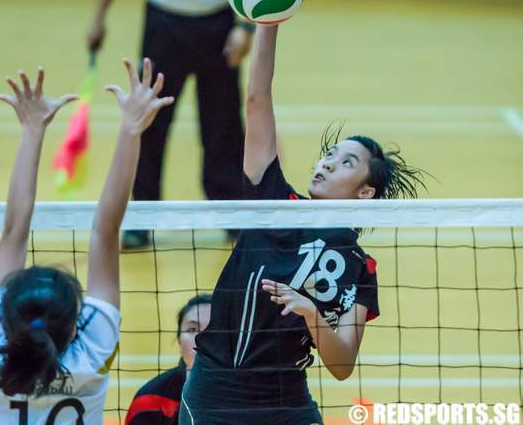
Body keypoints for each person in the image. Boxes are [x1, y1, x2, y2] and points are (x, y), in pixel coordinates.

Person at [179, 25, 429, 424]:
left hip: (285, 401)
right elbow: (257, 99)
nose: (327, 162)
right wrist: (267, 24)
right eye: (329, 154)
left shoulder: (359, 268)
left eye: (347, 162)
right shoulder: (273, 200)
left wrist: (312, 314)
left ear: (365, 193)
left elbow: (343, 363)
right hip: (216, 391)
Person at [0, 59, 173, 424]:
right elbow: (105, 230)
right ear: (76, 325)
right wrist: (131, 130)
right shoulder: (91, 351)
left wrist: (32, 130)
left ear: (5, 315)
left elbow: (14, 230)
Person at [87, 0, 268, 248]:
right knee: (149, 122)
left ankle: (230, 214)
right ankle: (142, 215)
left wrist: (246, 26)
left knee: (222, 124)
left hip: (220, 23)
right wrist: (99, 16)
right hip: (163, 25)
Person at [125, 294, 212, 425]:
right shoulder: (150, 401)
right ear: (178, 340)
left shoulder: (250, 394)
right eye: (192, 329)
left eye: (213, 329)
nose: (202, 338)